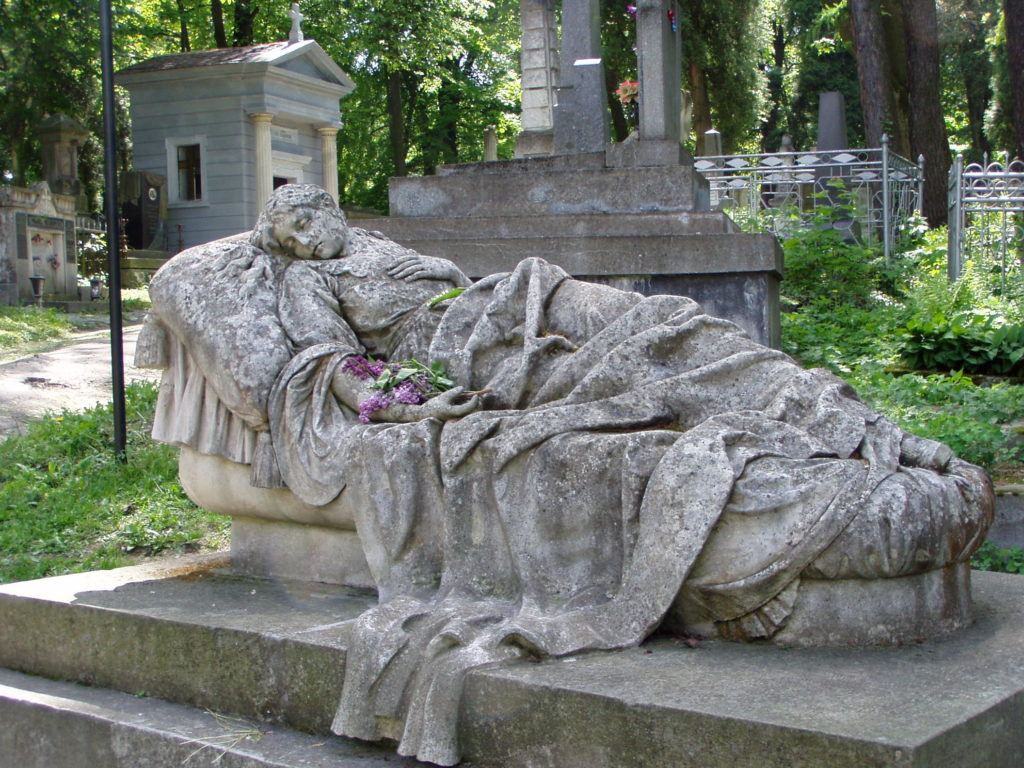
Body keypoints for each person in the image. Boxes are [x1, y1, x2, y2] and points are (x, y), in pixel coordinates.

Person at [141, 185, 992, 766]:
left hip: (523, 297)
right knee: (648, 387)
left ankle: (848, 422)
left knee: (672, 330)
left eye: (317, 210)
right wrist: (406, 409)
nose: (313, 225)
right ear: (281, 243)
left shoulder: (379, 247)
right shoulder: (303, 288)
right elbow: (333, 372)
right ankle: (836, 461)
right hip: (471, 355)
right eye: (293, 224)